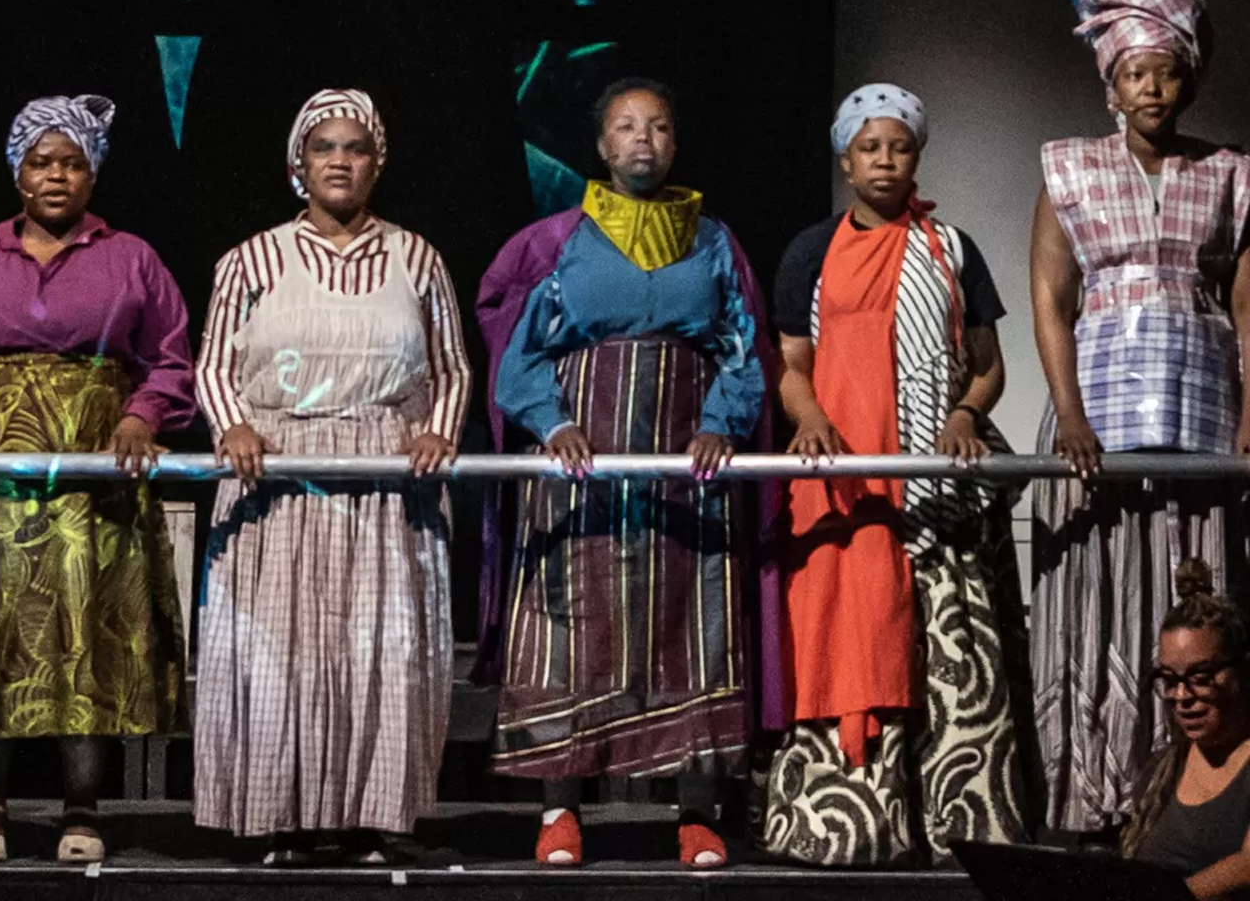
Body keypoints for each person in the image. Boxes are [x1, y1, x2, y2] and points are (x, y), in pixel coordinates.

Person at [476, 78, 766, 867]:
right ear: (601, 147)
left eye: (660, 126)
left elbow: (743, 353)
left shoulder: (712, 242)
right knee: (571, 630)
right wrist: (553, 421)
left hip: (683, 466)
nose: (644, 140)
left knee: (694, 629)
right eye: (626, 127)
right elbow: (517, 351)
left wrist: (719, 423)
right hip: (583, 459)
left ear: (676, 143)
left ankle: (697, 813)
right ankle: (559, 814)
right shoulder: (555, 243)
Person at [0, 94, 193, 864]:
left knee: (85, 631)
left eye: (72, 162)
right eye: (41, 162)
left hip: (94, 475)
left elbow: (170, 361)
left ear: (92, 174)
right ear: (17, 173)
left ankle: (82, 806)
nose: (56, 176)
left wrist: (141, 417)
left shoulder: (132, 258)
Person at [192, 88, 471, 865]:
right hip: (276, 474)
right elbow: (212, 364)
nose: (339, 162)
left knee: (380, 651)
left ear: (376, 163)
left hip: (386, 474)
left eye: (354, 149)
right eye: (324, 149)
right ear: (298, 165)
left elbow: (450, 369)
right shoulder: (252, 259)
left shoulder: (417, 258)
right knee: (282, 650)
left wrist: (438, 432)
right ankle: (280, 815)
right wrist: (233, 425)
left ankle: (371, 819)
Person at [760, 85, 1028, 867]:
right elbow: (792, 367)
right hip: (850, 481)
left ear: (917, 156)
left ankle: (965, 832)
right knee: (857, 635)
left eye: (899, 147)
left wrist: (964, 416)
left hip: (939, 487)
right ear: (846, 160)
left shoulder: (953, 248)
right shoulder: (811, 251)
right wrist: (809, 417)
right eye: (869, 148)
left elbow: (988, 366)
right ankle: (849, 829)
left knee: (954, 652)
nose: (885, 161)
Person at [1030, 0, 1250, 833]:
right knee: (1099, 590)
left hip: (1199, 410)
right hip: (1100, 417)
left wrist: (1249, 422)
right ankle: (1094, 796)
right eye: (1135, 74)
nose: (1151, 88)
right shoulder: (1069, 167)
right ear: (1109, 84)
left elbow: (1246, 305)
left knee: (1187, 589)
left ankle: (1189, 802)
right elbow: (1050, 297)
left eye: (1165, 72)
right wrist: (1072, 415)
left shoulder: (1229, 173)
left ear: (1187, 78)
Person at [1126, 559, 1250, 899]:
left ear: (1241, 672)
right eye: (1170, 680)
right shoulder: (1165, 768)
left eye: (1201, 677)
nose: (1182, 696)